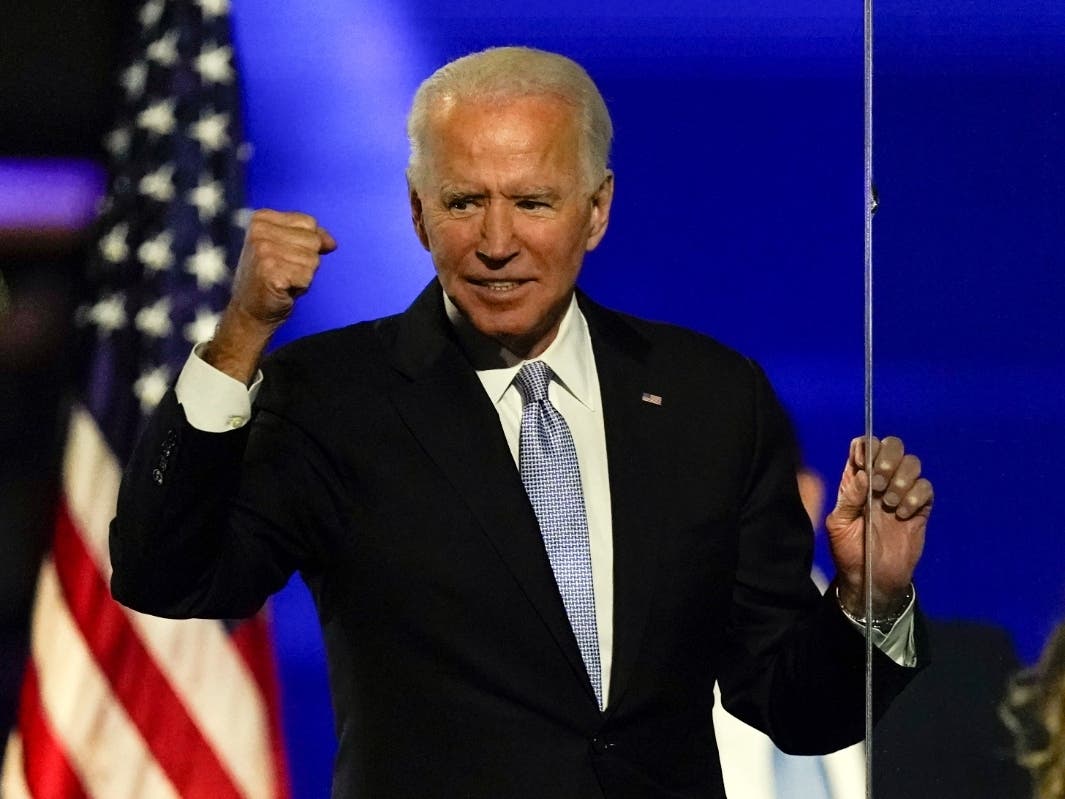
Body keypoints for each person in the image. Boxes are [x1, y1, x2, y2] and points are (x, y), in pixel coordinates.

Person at [109, 47, 934, 798]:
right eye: (464, 201)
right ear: (417, 212)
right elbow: (167, 576)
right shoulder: (332, 396)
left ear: (597, 209)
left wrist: (869, 595)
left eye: (532, 201)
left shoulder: (709, 398)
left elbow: (793, 708)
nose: (495, 241)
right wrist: (242, 333)